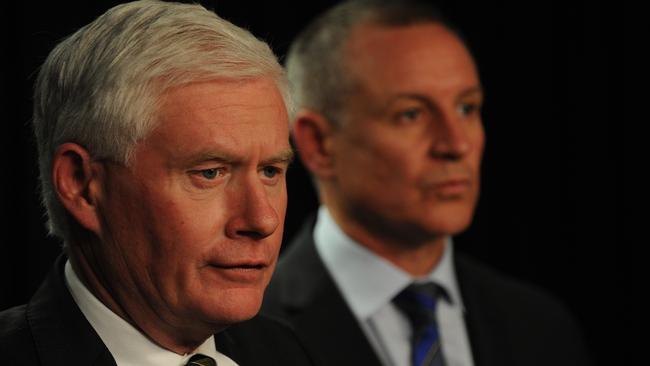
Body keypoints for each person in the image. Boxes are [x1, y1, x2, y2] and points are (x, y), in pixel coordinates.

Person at [261, 1, 591, 365]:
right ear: (318, 143)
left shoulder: (541, 325)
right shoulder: (246, 330)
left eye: (467, 108)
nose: (456, 145)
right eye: (411, 114)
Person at [0, 1, 316, 365]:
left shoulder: (286, 351)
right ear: (82, 184)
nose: (263, 220)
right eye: (210, 173)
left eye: (271, 171)